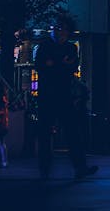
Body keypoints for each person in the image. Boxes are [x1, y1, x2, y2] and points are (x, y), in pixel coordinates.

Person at [34, 15, 98, 180]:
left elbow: (70, 66)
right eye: (55, 28)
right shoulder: (45, 46)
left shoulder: (70, 48)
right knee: (45, 134)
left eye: (60, 28)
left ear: (67, 32)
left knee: (72, 132)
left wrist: (53, 64)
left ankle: (79, 167)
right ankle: (44, 169)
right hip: (47, 97)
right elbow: (42, 66)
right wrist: (61, 64)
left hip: (63, 96)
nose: (57, 31)